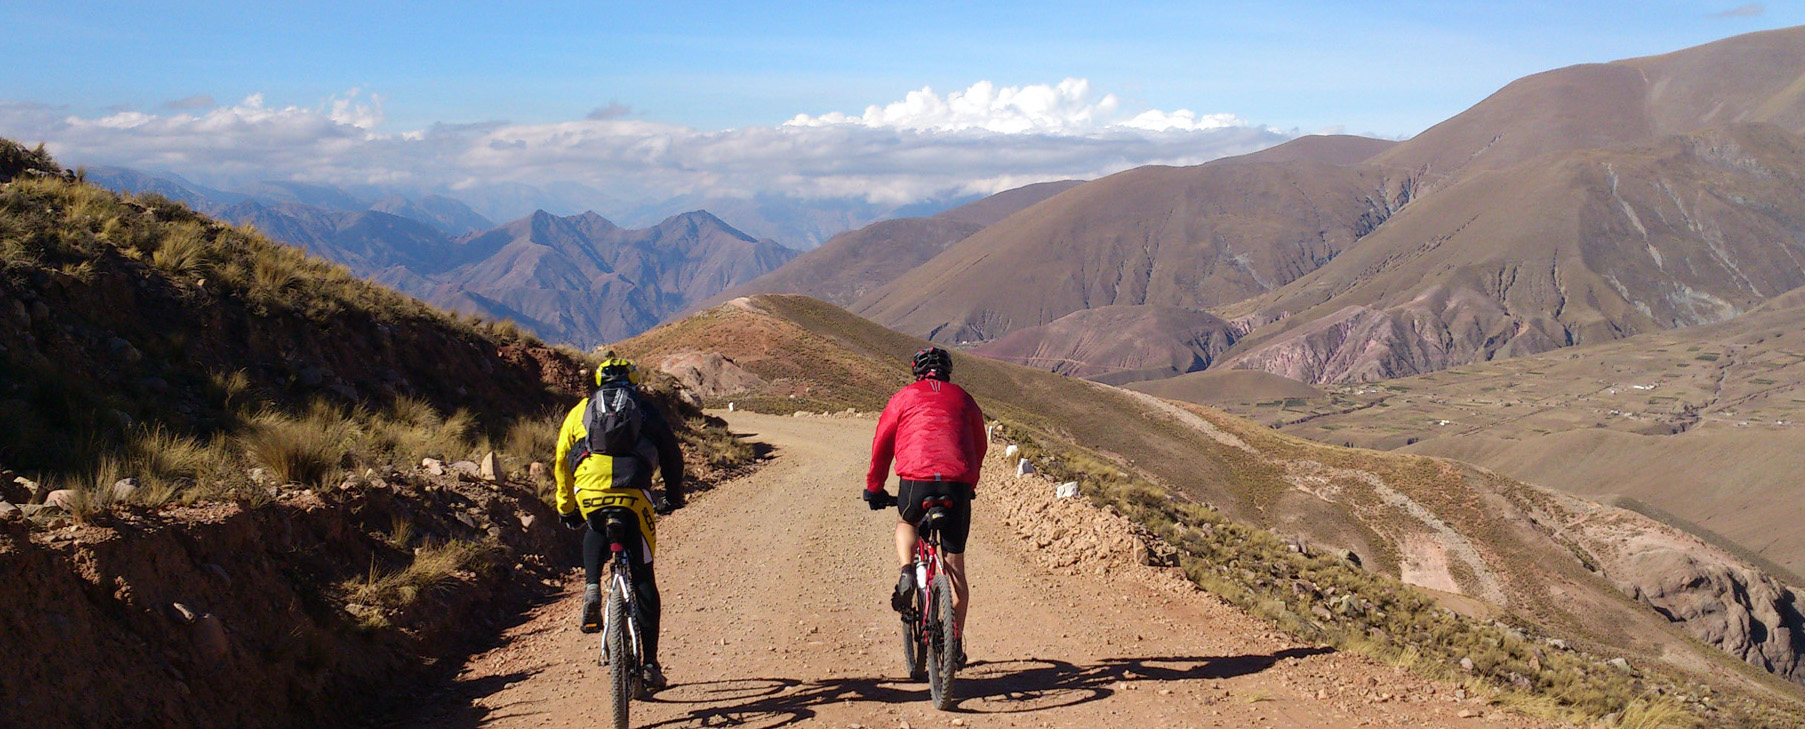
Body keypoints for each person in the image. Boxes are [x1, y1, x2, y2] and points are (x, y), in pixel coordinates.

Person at [554, 357, 685, 691]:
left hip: (590, 494)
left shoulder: (580, 411)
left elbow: (560, 460)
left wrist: (567, 507)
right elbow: (671, 453)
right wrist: (673, 496)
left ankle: (592, 587)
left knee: (596, 526)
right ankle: (651, 665)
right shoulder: (645, 410)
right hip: (634, 496)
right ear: (633, 382)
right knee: (643, 576)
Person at [865, 346, 987, 664]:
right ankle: (955, 641)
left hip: (916, 481)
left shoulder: (904, 397)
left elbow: (882, 446)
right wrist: (969, 483)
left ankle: (908, 571)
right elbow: (979, 445)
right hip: (956, 485)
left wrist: (874, 488)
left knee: (907, 522)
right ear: (948, 372)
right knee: (955, 567)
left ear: (916, 372)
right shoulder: (963, 398)